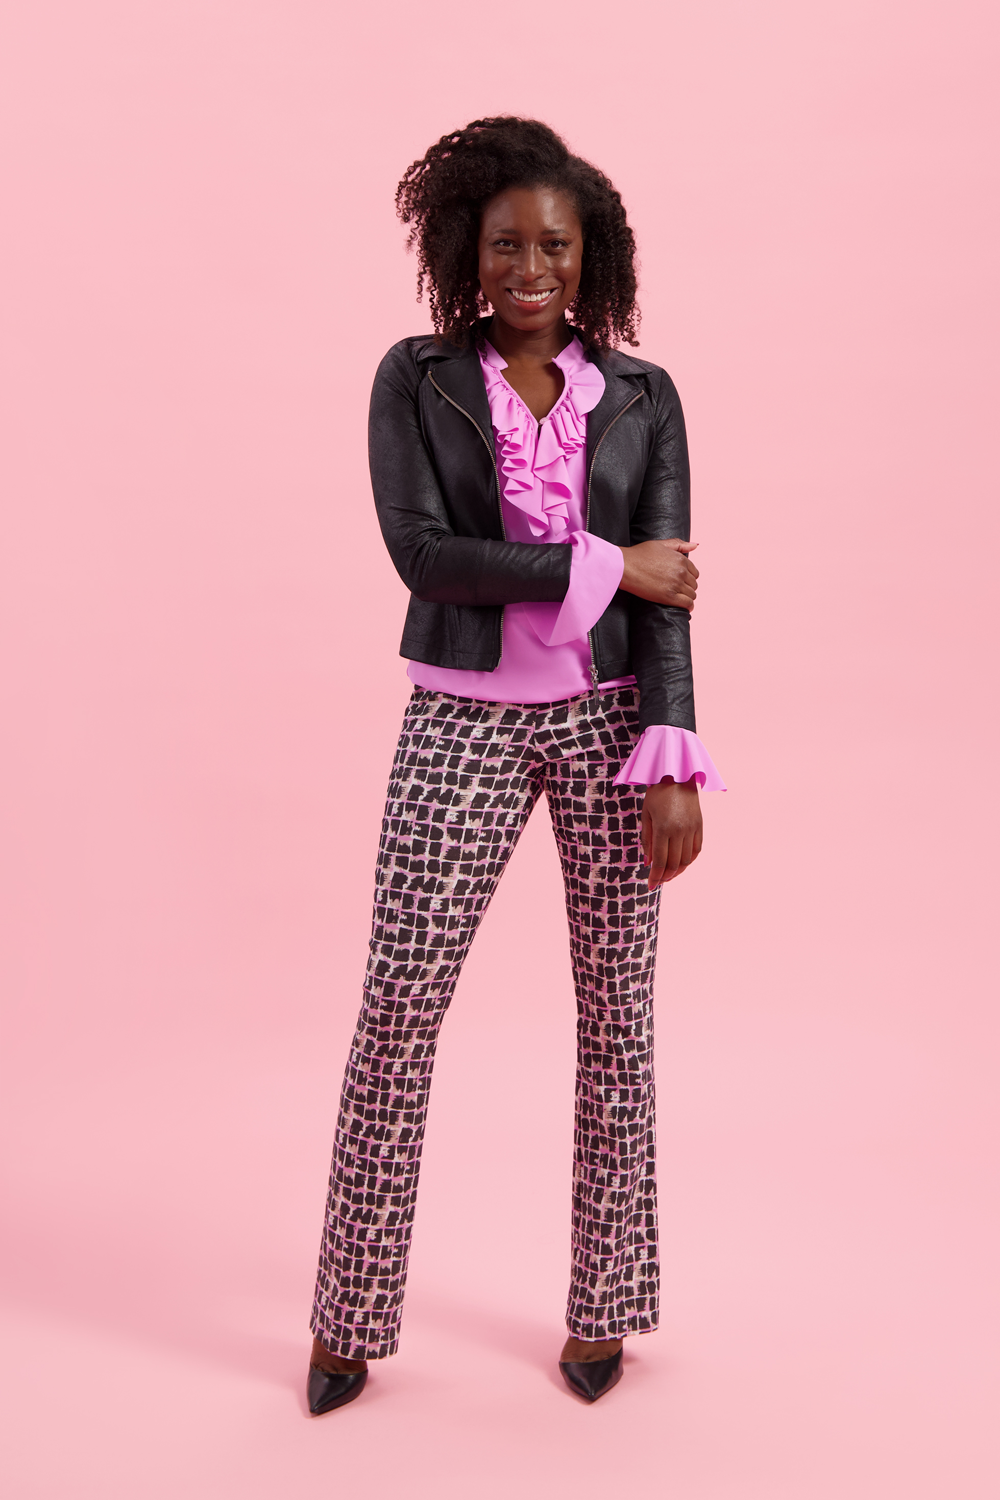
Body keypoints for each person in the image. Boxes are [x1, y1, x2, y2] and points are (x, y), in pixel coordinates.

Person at [306, 116, 725, 1414]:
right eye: (506, 244)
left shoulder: (643, 397)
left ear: (591, 256)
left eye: (555, 245)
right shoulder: (417, 378)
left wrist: (671, 755)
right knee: (398, 1007)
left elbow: (670, 592)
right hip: (464, 719)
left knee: (619, 1018)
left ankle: (605, 1311)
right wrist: (605, 564)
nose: (531, 266)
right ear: (466, 251)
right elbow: (428, 557)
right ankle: (348, 1318)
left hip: (612, 723)